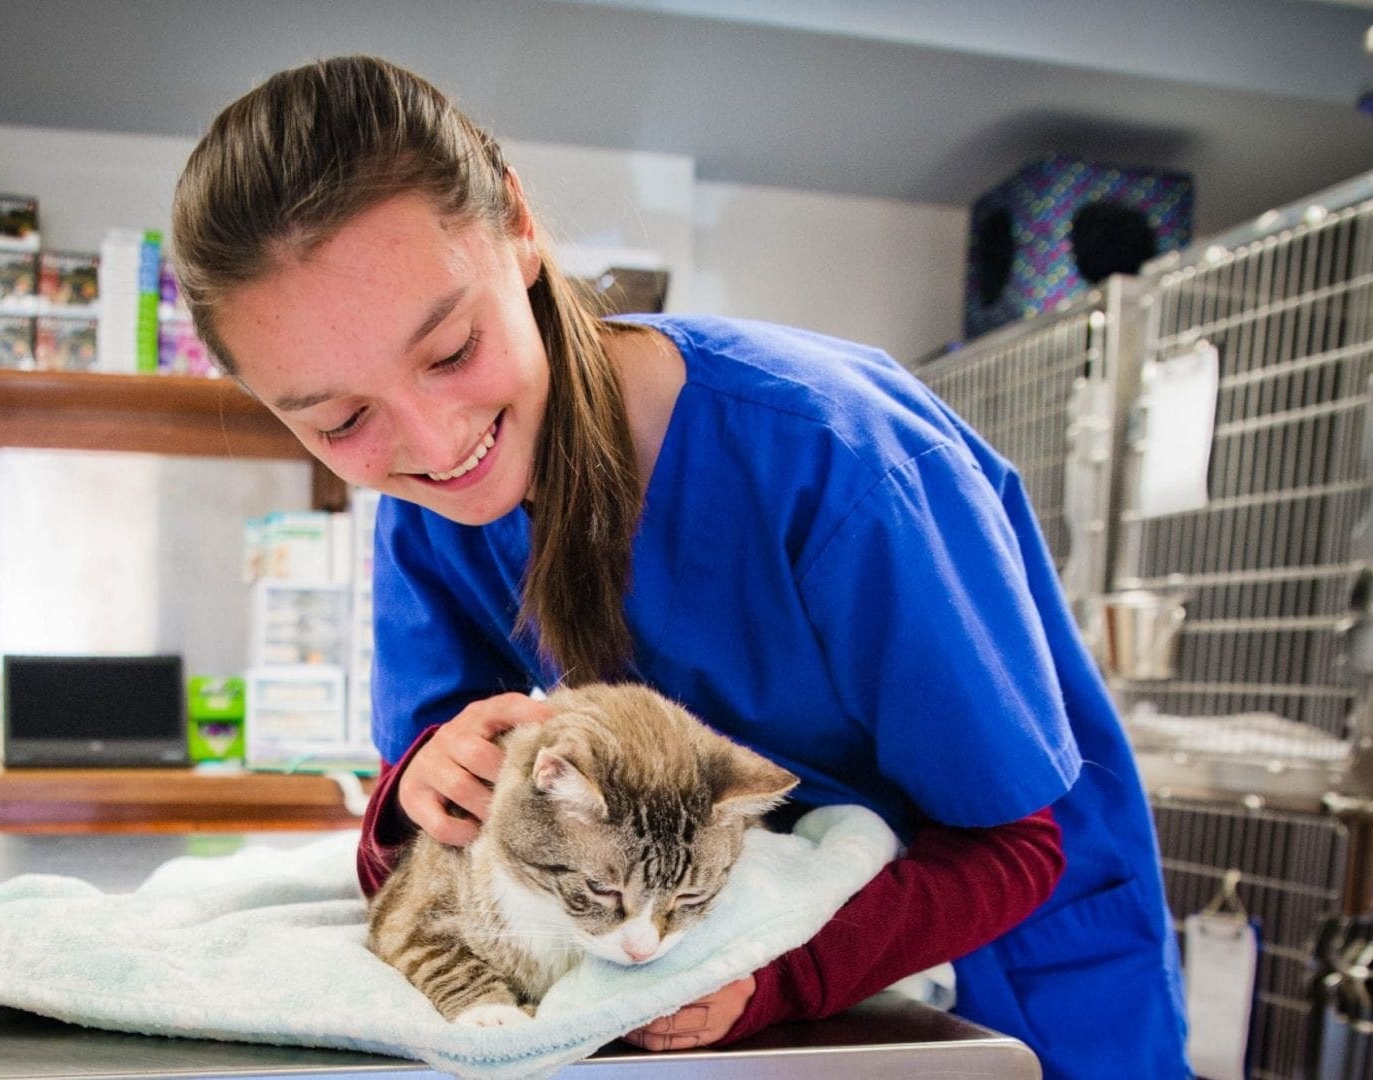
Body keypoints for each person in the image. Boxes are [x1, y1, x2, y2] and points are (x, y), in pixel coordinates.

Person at [171, 55, 1188, 1078]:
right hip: (707, 959)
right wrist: (427, 786)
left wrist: (774, 979)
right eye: (341, 419)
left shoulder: (842, 465)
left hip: (1014, 971)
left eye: (450, 351)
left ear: (516, 227)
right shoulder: (432, 508)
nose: (433, 443)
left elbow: (1017, 844)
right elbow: (423, 845)